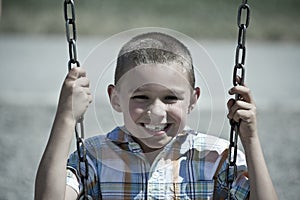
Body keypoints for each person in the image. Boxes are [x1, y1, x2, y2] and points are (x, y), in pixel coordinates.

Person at [35, 32, 277, 200]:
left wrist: (251, 140)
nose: (156, 112)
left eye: (170, 98)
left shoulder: (216, 158)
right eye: (141, 97)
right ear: (115, 97)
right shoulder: (95, 156)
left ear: (193, 99)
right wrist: (66, 118)